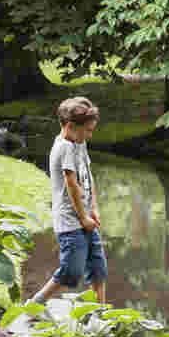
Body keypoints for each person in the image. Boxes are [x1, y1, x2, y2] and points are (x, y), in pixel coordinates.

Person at [27, 97, 108, 306]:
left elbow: (88, 176)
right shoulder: (64, 148)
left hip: (87, 218)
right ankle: (36, 303)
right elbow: (71, 184)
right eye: (87, 130)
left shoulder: (78, 143)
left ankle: (100, 314)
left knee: (98, 268)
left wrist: (94, 209)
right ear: (70, 126)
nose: (90, 135)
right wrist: (83, 217)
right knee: (71, 271)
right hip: (70, 222)